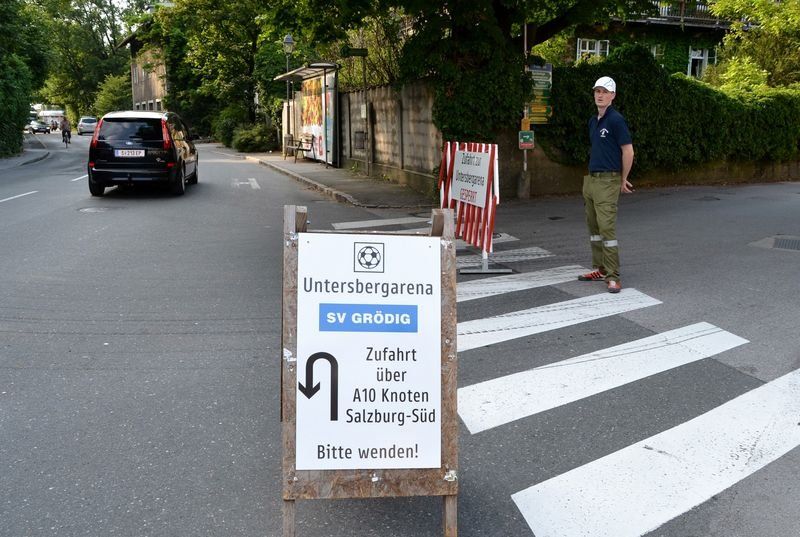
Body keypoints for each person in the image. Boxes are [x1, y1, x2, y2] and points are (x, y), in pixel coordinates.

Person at [577, 76, 634, 294]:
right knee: (594, 229)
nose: (600, 95)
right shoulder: (593, 121)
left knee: (606, 229)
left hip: (608, 180)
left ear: (613, 96)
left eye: (605, 91)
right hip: (591, 180)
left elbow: (628, 151)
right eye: (597, 91)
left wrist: (623, 178)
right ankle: (600, 269)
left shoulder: (616, 120)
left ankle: (613, 276)